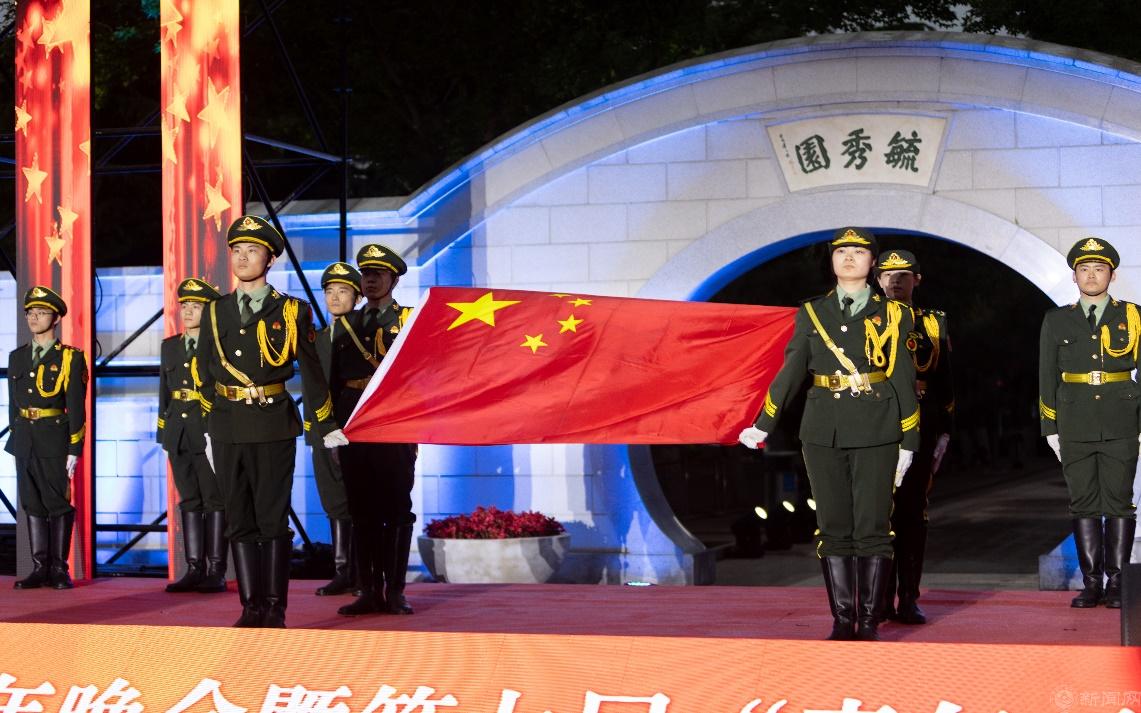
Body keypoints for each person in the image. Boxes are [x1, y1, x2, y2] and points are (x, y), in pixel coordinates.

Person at [738, 227, 919, 641]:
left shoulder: (895, 314)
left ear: (873, 262)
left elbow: (903, 379)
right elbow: (792, 371)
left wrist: (909, 440)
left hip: (877, 428)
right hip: (823, 430)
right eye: (842, 252)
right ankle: (842, 619)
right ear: (832, 260)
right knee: (833, 525)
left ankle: (869, 620)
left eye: (859, 251)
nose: (849, 257)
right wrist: (764, 422)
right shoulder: (812, 312)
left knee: (873, 527)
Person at [196, 215, 348, 628]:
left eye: (253, 251)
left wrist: (326, 424)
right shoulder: (215, 312)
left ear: (271, 259)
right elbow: (204, 373)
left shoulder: (292, 310)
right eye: (237, 251)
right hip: (227, 426)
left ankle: (275, 607)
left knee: (271, 518)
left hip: (272, 423)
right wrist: (207, 427)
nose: (243, 258)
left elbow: (313, 374)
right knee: (238, 518)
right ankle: (251, 607)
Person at [1039, 237, 1138, 609]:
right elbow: (1046, 375)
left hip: (1121, 421)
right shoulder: (1057, 319)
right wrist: (1050, 427)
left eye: (1099, 269)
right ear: (1074, 276)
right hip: (1075, 421)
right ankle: (1092, 583)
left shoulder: (1133, 315)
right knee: (1082, 503)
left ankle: (1118, 583)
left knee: (1119, 503)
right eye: (1084, 269)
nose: (1091, 275)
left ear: (1112, 275)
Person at [336, 243, 417, 617]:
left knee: (397, 509)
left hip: (395, 425)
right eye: (365, 274)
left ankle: (395, 591)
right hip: (354, 427)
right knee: (361, 510)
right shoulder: (346, 325)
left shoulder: (410, 320)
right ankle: (368, 590)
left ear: (394, 280)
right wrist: (333, 431)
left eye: (378, 274)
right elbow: (334, 382)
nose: (370, 280)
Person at [876, 249, 954, 625]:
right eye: (887, 275)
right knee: (877, 514)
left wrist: (945, 431)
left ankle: (908, 597)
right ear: (877, 280)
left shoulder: (933, 323)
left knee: (912, 512)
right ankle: (878, 599)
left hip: (920, 426)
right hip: (876, 427)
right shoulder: (866, 320)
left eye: (903, 275)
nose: (895, 281)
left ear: (917, 280)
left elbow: (946, 380)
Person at [8, 286, 88, 590]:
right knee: (31, 502)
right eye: (30, 312)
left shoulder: (69, 358)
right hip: (25, 439)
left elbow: (76, 407)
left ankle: (58, 568)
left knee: (57, 502)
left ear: (56, 318)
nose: (34, 317)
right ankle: (39, 567)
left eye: (41, 313)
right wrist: (15, 438)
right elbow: (12, 405)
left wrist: (75, 447)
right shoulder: (17, 357)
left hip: (54, 438)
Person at [158, 278, 228, 594]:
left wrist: (219, 432)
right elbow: (165, 392)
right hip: (178, 431)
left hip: (207, 429)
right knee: (189, 499)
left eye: (195, 306)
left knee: (214, 499)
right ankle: (194, 568)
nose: (187, 311)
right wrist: (164, 433)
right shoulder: (170, 346)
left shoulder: (216, 346)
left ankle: (215, 570)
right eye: (184, 305)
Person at [305, 262, 363, 597]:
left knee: (362, 503)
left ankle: (365, 573)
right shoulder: (317, 339)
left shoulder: (367, 335)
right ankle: (343, 571)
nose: (335, 297)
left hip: (357, 431)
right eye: (329, 291)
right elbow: (312, 388)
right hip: (323, 432)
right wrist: (317, 431)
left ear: (357, 297)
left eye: (343, 291)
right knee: (333, 502)